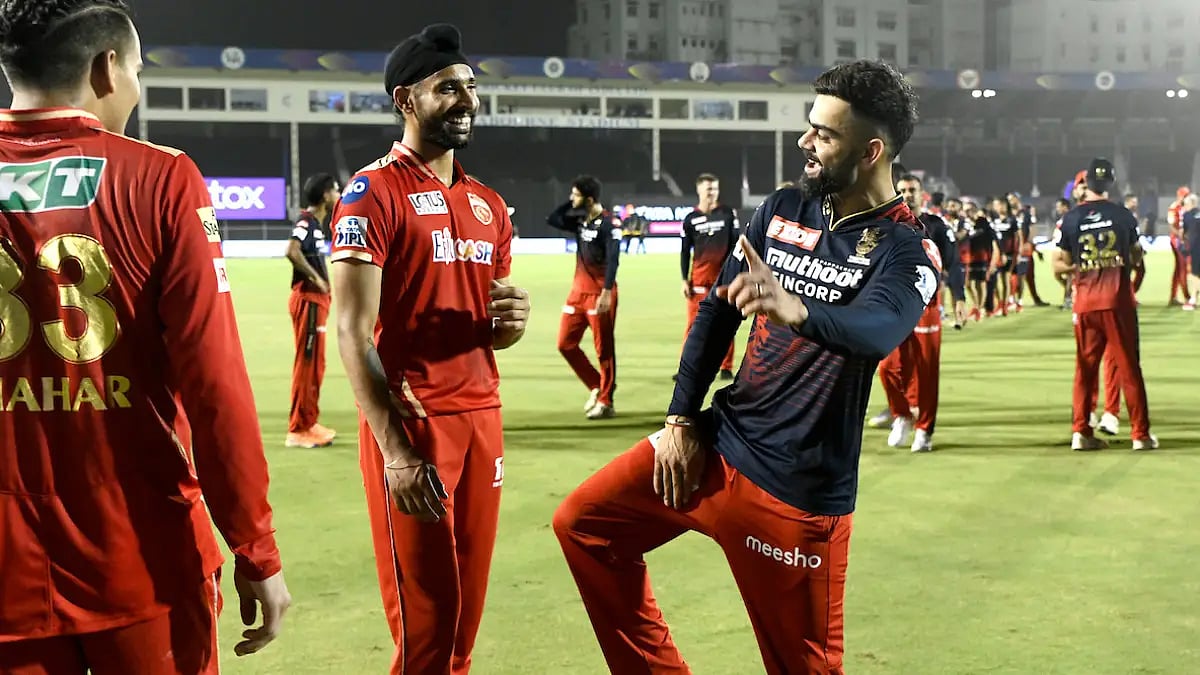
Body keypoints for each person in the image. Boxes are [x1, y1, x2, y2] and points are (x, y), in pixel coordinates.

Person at [553, 60, 931, 675]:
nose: (805, 143)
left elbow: (878, 330)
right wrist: (679, 418)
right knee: (584, 527)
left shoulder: (907, 246)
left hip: (795, 497)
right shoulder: (782, 208)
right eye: (808, 127)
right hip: (713, 447)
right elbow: (715, 317)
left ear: (871, 151)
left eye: (824, 134)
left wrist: (797, 310)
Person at [0, 1, 290, 672]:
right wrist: (256, 546)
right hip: (141, 557)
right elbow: (215, 384)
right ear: (107, 70)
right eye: (136, 70)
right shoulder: (160, 178)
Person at [329, 23, 530, 675]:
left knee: (464, 623)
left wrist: (513, 321)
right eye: (448, 87)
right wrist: (396, 452)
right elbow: (351, 330)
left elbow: (491, 326)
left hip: (483, 420)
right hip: (414, 428)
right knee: (427, 630)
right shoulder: (372, 193)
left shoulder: (488, 205)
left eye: (472, 86)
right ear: (404, 100)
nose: (467, 99)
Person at [1052, 158, 1155, 451]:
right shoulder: (1123, 216)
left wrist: (1081, 269)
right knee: (1129, 369)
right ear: (1111, 183)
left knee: (1084, 371)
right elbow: (1136, 257)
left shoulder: (1071, 218)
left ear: (1086, 185)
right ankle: (1140, 435)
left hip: (1085, 303)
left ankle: (1081, 432)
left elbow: (1060, 263)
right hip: (1117, 301)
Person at [878, 173, 953, 452]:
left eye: (912, 189)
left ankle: (925, 430)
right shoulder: (888, 226)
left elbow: (951, 266)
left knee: (927, 371)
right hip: (896, 306)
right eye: (903, 190)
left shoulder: (937, 226)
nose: (908, 194)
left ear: (922, 194)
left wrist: (957, 297)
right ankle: (901, 415)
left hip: (927, 307)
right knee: (886, 367)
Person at [547, 175, 621, 419]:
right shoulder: (581, 221)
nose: (571, 198)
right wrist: (574, 204)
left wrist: (607, 292)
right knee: (565, 344)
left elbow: (613, 259)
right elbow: (553, 219)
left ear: (589, 199)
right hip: (577, 293)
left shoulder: (610, 224)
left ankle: (606, 401)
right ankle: (596, 385)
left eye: (575, 195)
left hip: (600, 294)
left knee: (604, 350)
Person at [284, 173, 341, 448]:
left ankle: (310, 420)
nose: (338, 194)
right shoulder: (306, 222)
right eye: (335, 190)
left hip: (318, 303)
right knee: (307, 366)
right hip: (308, 300)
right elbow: (292, 250)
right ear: (324, 195)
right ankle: (298, 430)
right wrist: (316, 280)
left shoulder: (317, 226)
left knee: (316, 365)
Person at [679, 172, 739, 381]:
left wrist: (735, 274)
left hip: (723, 281)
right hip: (698, 282)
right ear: (699, 190)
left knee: (724, 325)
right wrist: (684, 279)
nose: (712, 193)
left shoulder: (728, 214)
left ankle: (726, 366)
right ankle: (686, 368)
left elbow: (735, 246)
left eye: (715, 189)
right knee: (692, 328)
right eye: (708, 189)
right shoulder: (690, 219)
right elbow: (685, 250)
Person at [1009, 192, 1049, 308]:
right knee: (1014, 274)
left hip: (1025, 247)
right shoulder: (1010, 214)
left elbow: (1032, 229)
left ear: (1017, 199)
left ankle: (1033, 298)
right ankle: (1013, 299)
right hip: (1012, 247)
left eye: (1012, 199)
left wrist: (1032, 245)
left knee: (1028, 274)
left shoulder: (1025, 212)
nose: (1010, 202)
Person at [1168, 186, 1191, 306]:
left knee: (1178, 269)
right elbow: (1171, 226)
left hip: (1183, 240)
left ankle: (1173, 297)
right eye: (1185, 196)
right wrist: (1182, 237)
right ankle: (1188, 297)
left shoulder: (1185, 207)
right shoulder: (1173, 208)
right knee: (1182, 268)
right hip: (1177, 241)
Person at [1183, 193, 1200, 310]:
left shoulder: (1187, 215)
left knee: (1194, 274)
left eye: (1186, 204)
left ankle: (1193, 299)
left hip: (1196, 248)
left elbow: (1185, 232)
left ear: (1191, 203)